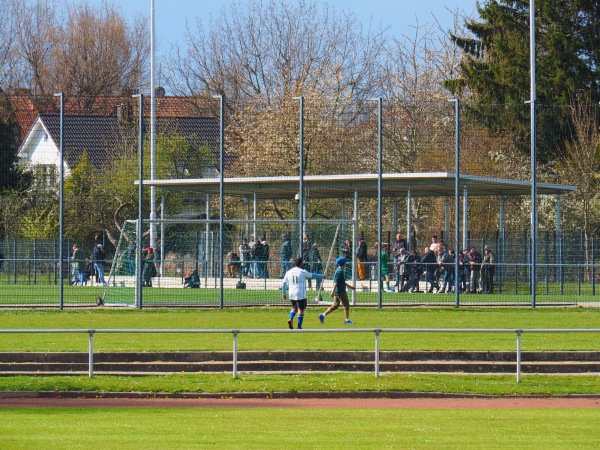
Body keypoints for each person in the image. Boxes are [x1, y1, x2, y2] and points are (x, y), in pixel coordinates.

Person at [282, 257, 325, 329]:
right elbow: (313, 275)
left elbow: (284, 284)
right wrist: (322, 276)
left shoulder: (288, 272)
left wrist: (283, 294)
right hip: (300, 293)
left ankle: (291, 318)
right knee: (300, 309)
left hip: (291, 293)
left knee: (294, 307)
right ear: (301, 263)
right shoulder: (302, 272)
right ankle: (299, 326)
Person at [318, 257, 356, 325]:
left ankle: (322, 315)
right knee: (346, 305)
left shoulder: (340, 270)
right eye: (345, 262)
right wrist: (332, 292)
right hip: (340, 292)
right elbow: (336, 282)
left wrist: (351, 287)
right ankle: (347, 320)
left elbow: (342, 282)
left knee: (335, 305)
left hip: (338, 291)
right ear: (343, 263)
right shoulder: (340, 271)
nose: (345, 263)